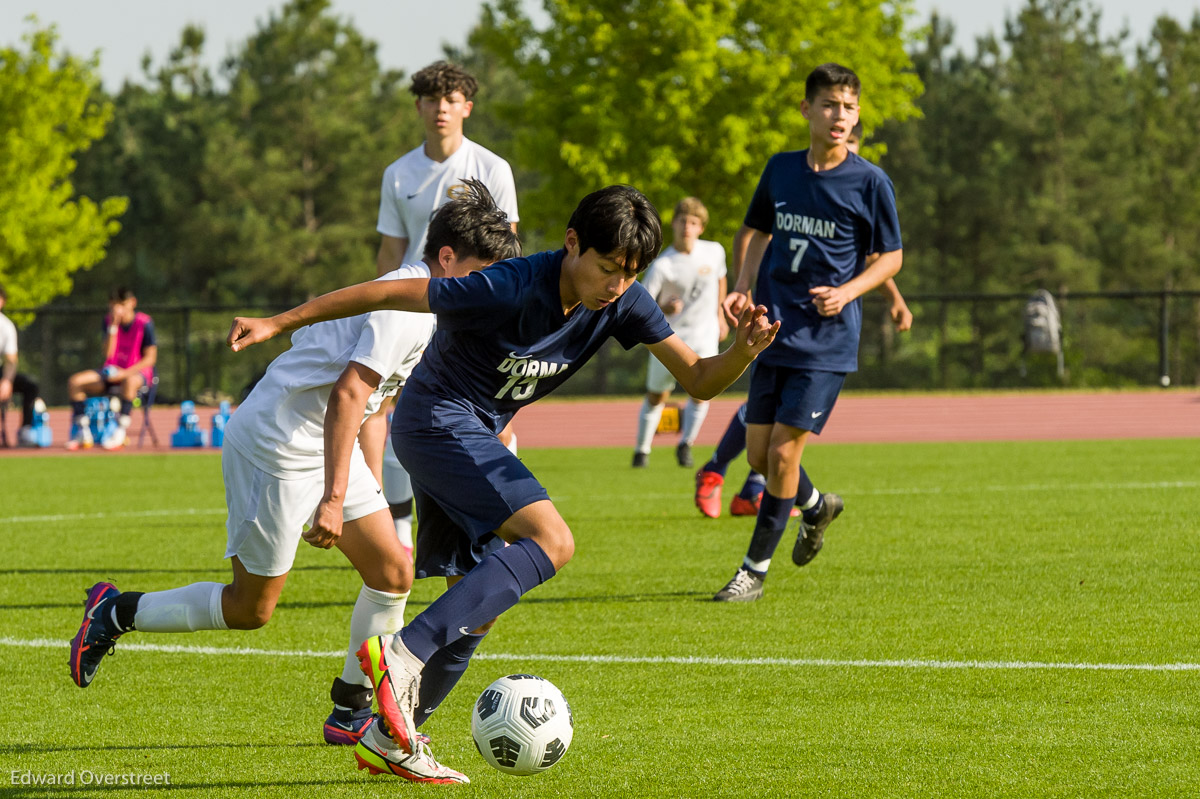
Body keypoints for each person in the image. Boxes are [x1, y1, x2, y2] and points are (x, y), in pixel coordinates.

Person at [226, 184, 780, 782]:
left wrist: (743, 350)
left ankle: (393, 736)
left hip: (475, 438)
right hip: (435, 420)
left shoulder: (624, 302)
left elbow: (698, 379)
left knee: (480, 602)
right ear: (572, 244)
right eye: (606, 268)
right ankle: (401, 656)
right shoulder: (511, 283)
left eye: (629, 273)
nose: (616, 284)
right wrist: (279, 322)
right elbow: (389, 290)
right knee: (553, 541)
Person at [69, 183, 520, 785]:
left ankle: (352, 707)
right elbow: (349, 394)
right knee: (251, 609)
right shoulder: (405, 309)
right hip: (276, 445)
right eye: (482, 274)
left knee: (392, 571)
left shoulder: (429, 306)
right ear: (445, 260)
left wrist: (366, 490)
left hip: (322, 441)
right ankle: (116, 612)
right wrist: (334, 498)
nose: (487, 291)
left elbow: (373, 409)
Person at [713, 63, 903, 602]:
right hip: (772, 330)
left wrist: (847, 292)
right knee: (756, 457)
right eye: (828, 105)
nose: (839, 115)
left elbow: (892, 256)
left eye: (848, 106)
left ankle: (752, 571)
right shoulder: (781, 170)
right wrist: (743, 285)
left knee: (780, 458)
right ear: (807, 110)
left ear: (857, 114)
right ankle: (816, 506)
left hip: (826, 341)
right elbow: (752, 230)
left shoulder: (870, 181)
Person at [694, 121, 913, 518]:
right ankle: (728, 473)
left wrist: (892, 298)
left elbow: (872, 258)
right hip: (777, 316)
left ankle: (755, 493)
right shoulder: (795, 182)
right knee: (765, 435)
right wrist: (743, 281)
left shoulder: (859, 188)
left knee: (779, 446)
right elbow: (752, 232)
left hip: (819, 331)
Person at [373, 60, 520, 562]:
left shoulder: (491, 168)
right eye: (433, 99)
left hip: (473, 316)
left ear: (467, 108)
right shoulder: (398, 173)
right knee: (399, 413)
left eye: (452, 99)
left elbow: (508, 248)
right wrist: (378, 307)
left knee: (491, 418)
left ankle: (499, 513)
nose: (442, 108)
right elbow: (391, 253)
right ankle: (401, 532)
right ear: (418, 106)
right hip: (415, 315)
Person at [631, 197, 727, 469]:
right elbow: (643, 302)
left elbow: (721, 278)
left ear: (701, 228)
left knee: (701, 393)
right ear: (674, 224)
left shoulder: (715, 252)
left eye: (694, 222)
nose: (687, 226)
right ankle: (642, 451)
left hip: (704, 336)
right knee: (656, 396)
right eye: (683, 220)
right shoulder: (664, 265)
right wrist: (664, 306)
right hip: (669, 339)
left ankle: (686, 444)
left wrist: (720, 315)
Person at [64, 287, 157, 451]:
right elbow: (107, 354)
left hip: (135, 375)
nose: (117, 308)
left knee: (129, 381)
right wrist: (113, 326)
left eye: (121, 304)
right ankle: (83, 432)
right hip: (110, 373)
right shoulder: (108, 321)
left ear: (132, 303)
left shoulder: (144, 323)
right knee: (75, 382)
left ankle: (119, 432)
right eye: (113, 304)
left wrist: (124, 373)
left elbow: (150, 358)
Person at [0, 283, 42, 446]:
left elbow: (11, 360)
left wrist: (7, 381)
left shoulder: (6, 326)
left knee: (30, 384)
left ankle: (26, 430)